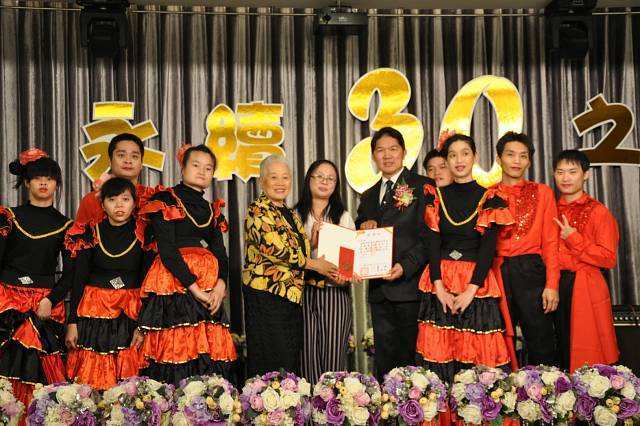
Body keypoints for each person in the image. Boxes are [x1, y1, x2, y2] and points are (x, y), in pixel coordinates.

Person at [416, 134, 513, 384]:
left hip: (475, 283)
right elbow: (432, 243)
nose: (459, 160)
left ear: (475, 157)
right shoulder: (434, 196)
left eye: (465, 153)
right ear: (446, 161)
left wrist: (471, 290)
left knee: (478, 356)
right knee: (440, 353)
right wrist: (438, 286)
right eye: (453, 155)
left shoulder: (490, 198)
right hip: (441, 280)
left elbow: (488, 249)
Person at [137, 144, 236, 384]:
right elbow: (167, 250)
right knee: (176, 347)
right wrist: (194, 288)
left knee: (205, 351)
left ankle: (204, 403)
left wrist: (221, 285)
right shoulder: (165, 200)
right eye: (196, 165)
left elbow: (220, 252)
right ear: (182, 168)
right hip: (174, 283)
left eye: (208, 168)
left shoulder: (211, 209)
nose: (202, 171)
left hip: (209, 286)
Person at [242, 155, 337, 377]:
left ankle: (287, 399)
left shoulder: (290, 213)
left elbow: (296, 250)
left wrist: (313, 242)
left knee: (288, 358)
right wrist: (316, 265)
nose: (280, 183)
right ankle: (264, 399)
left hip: (291, 297)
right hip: (267, 294)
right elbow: (275, 250)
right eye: (274, 177)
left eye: (285, 177)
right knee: (269, 359)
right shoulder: (258, 209)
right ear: (262, 181)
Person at [355, 127, 433, 381]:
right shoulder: (368, 196)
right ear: (373, 157)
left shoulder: (422, 186)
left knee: (413, 363)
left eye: (393, 149)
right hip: (379, 291)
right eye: (380, 150)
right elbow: (359, 235)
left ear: (404, 152)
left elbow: (430, 237)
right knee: (385, 360)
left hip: (411, 287)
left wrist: (405, 266)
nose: (387, 155)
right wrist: (363, 226)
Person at [0, 149, 73, 409]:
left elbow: (71, 274)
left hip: (43, 302)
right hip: (6, 298)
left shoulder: (66, 225)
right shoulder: (8, 217)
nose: (44, 183)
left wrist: (51, 300)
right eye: (38, 178)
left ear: (57, 183)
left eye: (50, 178)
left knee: (40, 374)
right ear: (27, 182)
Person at [65, 177, 152, 390]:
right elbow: (79, 279)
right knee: (92, 377)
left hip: (130, 311)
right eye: (112, 199)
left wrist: (143, 326)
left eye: (125, 199)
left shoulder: (145, 233)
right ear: (102, 205)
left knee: (129, 381)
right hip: (94, 311)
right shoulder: (89, 233)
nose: (119, 205)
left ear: (134, 203)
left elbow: (148, 282)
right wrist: (72, 322)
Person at [491, 132, 559, 367]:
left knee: (541, 337)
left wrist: (552, 284)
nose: (516, 161)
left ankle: (547, 386)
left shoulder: (543, 192)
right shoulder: (488, 194)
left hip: (531, 269)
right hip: (497, 271)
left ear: (529, 161)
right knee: (498, 337)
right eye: (510, 155)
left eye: (523, 156)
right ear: (499, 159)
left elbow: (551, 242)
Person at [553, 149, 619, 372]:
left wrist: (574, 239)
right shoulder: (550, 208)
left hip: (585, 286)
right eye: (560, 172)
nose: (566, 178)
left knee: (587, 351)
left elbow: (608, 258)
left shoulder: (598, 212)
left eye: (572, 172)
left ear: (586, 175)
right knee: (555, 348)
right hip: (553, 284)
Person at [295, 160, 355, 384]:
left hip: (334, 292)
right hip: (302, 293)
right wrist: (312, 241)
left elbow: (350, 261)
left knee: (333, 356)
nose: (324, 182)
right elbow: (289, 257)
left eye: (331, 178)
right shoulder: (294, 215)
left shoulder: (343, 216)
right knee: (306, 356)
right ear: (309, 179)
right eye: (319, 176)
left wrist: (345, 275)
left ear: (336, 185)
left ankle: (332, 403)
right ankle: (309, 405)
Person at [76, 133, 150, 223]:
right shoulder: (92, 200)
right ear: (110, 162)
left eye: (134, 156)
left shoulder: (151, 198)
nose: (128, 161)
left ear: (141, 164)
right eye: (121, 155)